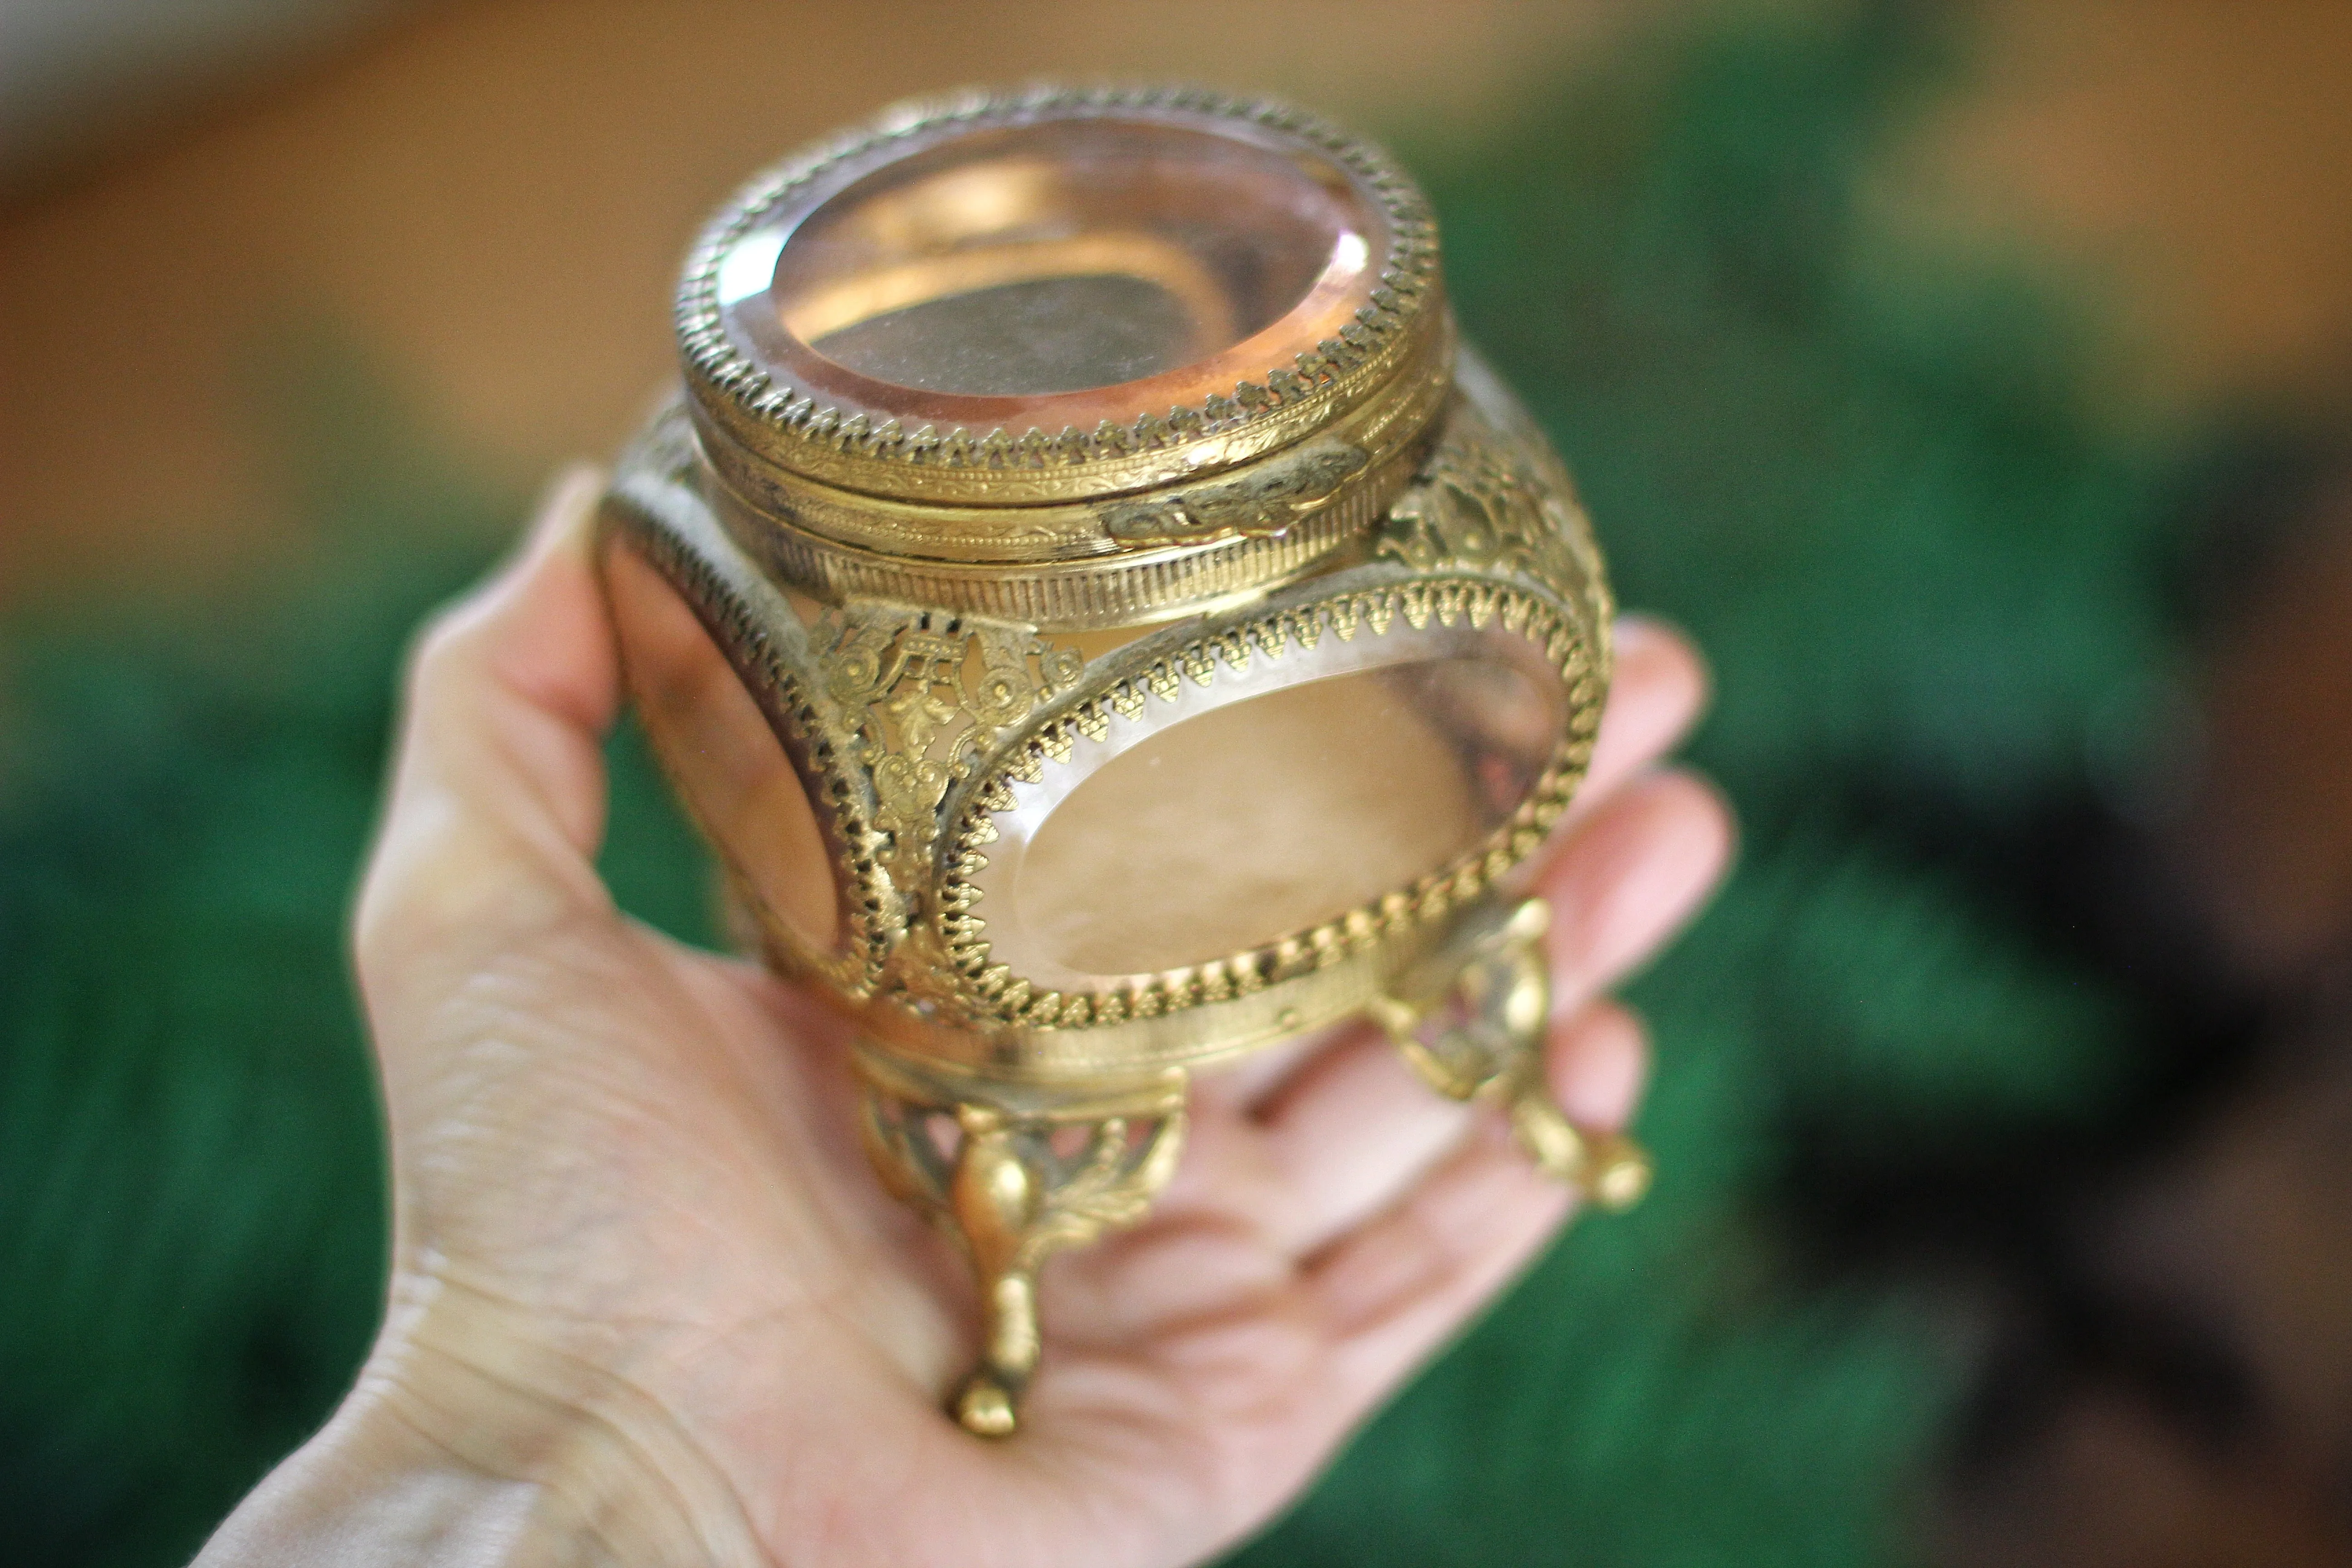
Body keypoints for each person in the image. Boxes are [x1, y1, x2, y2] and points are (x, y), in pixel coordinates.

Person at [196, 468, 1732, 1567]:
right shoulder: (751, 521)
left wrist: (607, 1478)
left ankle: (1506, 1090)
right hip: (963, 952)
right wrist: (606, 1455)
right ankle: (1007, 1312)